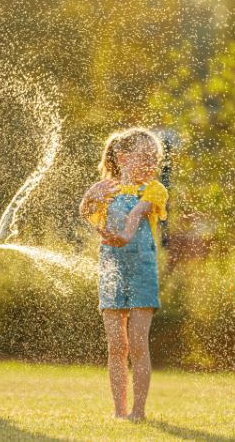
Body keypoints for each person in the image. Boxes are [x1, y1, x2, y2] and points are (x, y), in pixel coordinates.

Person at [79, 128, 169, 421]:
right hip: (111, 272)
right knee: (117, 345)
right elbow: (88, 214)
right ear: (123, 157)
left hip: (142, 272)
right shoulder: (108, 189)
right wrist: (88, 199)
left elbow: (135, 216)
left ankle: (138, 411)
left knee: (138, 343)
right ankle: (119, 411)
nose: (150, 164)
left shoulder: (154, 189)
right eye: (144, 157)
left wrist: (125, 236)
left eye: (154, 159)